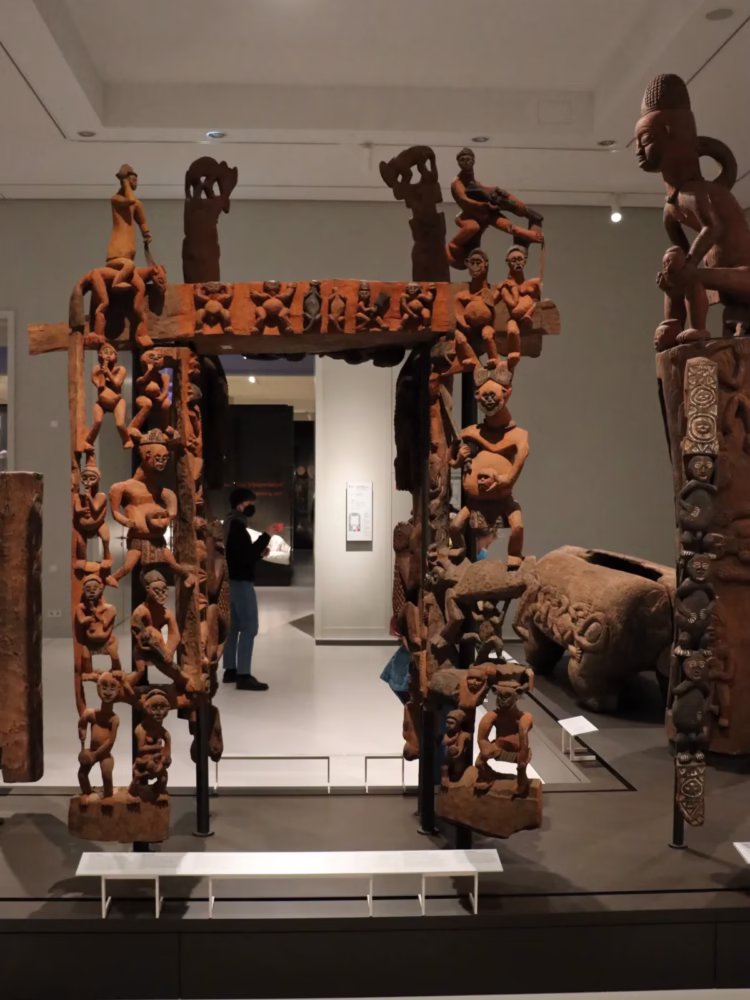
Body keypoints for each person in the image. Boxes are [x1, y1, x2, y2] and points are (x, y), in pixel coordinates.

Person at [223, 487, 282, 691]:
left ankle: (230, 670)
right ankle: (244, 674)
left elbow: (241, 554)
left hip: (231, 580)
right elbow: (245, 556)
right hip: (241, 582)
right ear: (241, 505)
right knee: (249, 627)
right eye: (250, 503)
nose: (252, 507)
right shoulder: (237, 526)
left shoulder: (230, 523)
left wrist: (258, 553)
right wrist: (267, 535)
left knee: (234, 627)